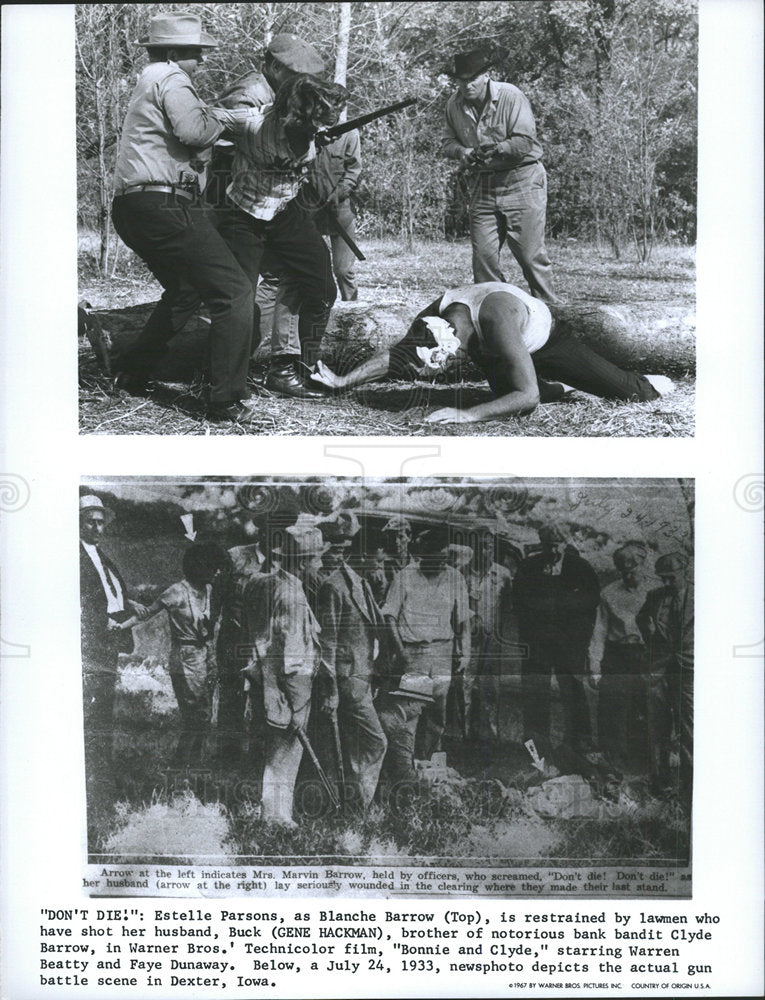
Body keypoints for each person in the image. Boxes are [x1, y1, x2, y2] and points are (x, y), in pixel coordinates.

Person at [109, 13, 258, 423]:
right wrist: (235, 118)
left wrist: (218, 119)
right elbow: (193, 132)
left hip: (133, 208)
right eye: (196, 54)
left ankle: (132, 372)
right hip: (163, 205)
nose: (202, 62)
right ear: (174, 53)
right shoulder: (172, 77)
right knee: (235, 291)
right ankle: (225, 400)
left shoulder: (149, 78)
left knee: (185, 289)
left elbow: (188, 130)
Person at [311, 281, 674, 424]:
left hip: (547, 341)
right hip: (492, 345)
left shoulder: (496, 316)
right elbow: (399, 356)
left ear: (455, 344)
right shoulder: (434, 318)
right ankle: (559, 389)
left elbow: (527, 398)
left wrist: (467, 414)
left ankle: (650, 383)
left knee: (629, 393)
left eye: (448, 362)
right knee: (504, 395)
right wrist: (344, 380)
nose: (450, 367)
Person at [217, 75, 348, 400]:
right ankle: (229, 378)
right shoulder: (249, 122)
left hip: (286, 211)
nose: (315, 132)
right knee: (238, 301)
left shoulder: (315, 130)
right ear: (293, 115)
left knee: (321, 288)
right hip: (243, 214)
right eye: (311, 125)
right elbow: (198, 121)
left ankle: (296, 370)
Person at [441, 48, 559, 302]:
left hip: (522, 179)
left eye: (472, 79)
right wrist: (463, 152)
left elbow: (525, 141)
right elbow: (446, 143)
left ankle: (553, 316)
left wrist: (497, 149)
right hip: (482, 183)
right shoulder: (453, 104)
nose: (467, 85)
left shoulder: (511, 96)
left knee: (530, 256)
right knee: (483, 258)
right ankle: (496, 316)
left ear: (486, 76)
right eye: (461, 80)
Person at [240, 525, 323, 827]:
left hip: (278, 678)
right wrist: (288, 693)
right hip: (293, 680)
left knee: (281, 748)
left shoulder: (272, 583)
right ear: (302, 562)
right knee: (286, 750)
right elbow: (288, 648)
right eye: (316, 559)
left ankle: (274, 813)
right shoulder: (293, 596)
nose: (321, 565)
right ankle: (277, 816)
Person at [119, 542, 228, 767]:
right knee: (195, 715)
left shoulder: (208, 589)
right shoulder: (176, 591)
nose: (218, 572)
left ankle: (194, 763)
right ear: (201, 566)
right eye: (214, 567)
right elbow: (146, 614)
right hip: (185, 656)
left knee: (205, 713)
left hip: (206, 653)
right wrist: (118, 627)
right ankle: (181, 765)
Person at [79, 495, 147, 829]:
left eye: (100, 520)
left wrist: (127, 600)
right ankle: (92, 776)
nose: (96, 526)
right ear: (79, 521)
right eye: (90, 520)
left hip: (107, 640)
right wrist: (98, 622)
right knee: (91, 707)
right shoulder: (73, 553)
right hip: (90, 642)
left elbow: (108, 590)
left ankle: (101, 772)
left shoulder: (101, 556)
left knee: (103, 705)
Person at [315, 514, 387, 812]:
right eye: (378, 561)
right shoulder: (335, 587)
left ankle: (347, 804)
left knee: (353, 744)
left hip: (363, 675)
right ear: (364, 556)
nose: (380, 567)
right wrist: (330, 691)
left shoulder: (361, 583)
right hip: (347, 679)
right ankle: (360, 805)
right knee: (376, 742)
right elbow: (326, 644)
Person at [382, 526, 471, 760]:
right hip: (414, 653)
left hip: (443, 653)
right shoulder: (405, 577)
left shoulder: (455, 578)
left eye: (444, 559)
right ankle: (405, 767)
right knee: (410, 713)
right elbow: (389, 615)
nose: (441, 564)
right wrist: (400, 651)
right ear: (424, 556)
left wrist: (465, 651)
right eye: (436, 559)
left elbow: (463, 620)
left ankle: (429, 763)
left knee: (437, 715)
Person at [513, 524, 600, 755]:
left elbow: (591, 605)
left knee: (572, 690)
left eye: (557, 546)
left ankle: (579, 743)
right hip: (537, 643)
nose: (552, 551)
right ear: (541, 545)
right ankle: (536, 747)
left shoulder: (581, 568)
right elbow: (519, 602)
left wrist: (579, 637)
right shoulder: (529, 567)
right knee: (534, 693)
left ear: (565, 543)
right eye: (547, 546)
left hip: (569, 643)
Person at [588, 542, 654, 773]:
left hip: (646, 656)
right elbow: (599, 630)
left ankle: (642, 764)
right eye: (623, 571)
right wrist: (595, 665)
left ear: (643, 565)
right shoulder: (608, 593)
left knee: (644, 708)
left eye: (633, 569)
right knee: (612, 710)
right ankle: (612, 762)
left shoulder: (654, 591)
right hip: (617, 656)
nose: (628, 575)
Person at [637, 552, 694, 806]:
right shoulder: (654, 597)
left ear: (685, 572)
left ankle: (691, 785)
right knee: (657, 725)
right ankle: (661, 783)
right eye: (663, 579)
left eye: (671, 578)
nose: (667, 584)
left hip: (690, 668)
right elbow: (641, 619)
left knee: (689, 726)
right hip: (658, 668)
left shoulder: (705, 596)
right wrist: (651, 642)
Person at [464, 528, 514, 742]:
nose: (488, 552)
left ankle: (490, 729)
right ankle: (464, 730)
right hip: (469, 638)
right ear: (474, 550)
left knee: (491, 685)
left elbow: (509, 605)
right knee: (466, 683)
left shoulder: (502, 574)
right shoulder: (462, 574)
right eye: (483, 547)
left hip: (493, 638)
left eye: (491, 546)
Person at [375, 674, 435, 807]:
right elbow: (404, 775)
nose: (420, 712)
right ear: (410, 702)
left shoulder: (381, 714)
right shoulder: (401, 728)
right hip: (382, 796)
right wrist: (433, 778)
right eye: (421, 707)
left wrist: (415, 763)